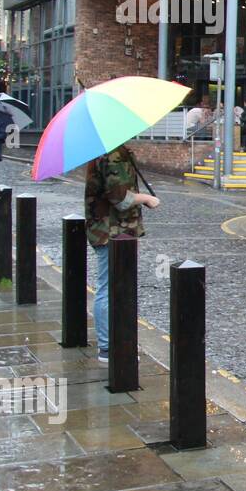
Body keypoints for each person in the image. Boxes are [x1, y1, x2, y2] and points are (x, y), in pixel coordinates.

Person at [85, 146, 160, 362]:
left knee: (117, 286)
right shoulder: (112, 155)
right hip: (112, 231)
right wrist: (146, 198)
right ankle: (108, 347)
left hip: (113, 230)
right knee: (108, 287)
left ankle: (115, 341)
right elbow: (120, 197)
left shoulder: (110, 152)